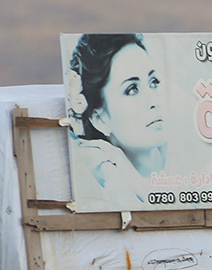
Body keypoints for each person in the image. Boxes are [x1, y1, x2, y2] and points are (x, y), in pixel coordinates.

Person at [67, 33, 167, 204]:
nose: (154, 101)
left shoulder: (194, 161)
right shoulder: (109, 188)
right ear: (99, 119)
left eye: (153, 82)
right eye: (132, 89)